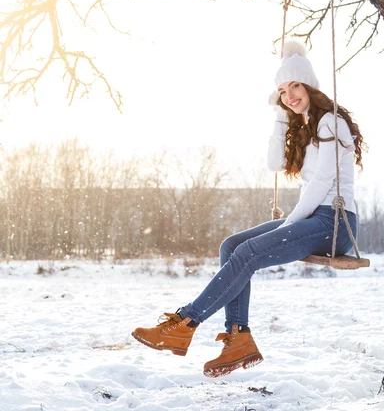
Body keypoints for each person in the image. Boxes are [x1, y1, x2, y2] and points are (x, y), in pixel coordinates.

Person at [132, 41, 365, 378]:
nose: (289, 95)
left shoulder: (330, 122)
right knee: (232, 246)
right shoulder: (303, 124)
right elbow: (274, 163)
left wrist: (290, 223)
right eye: (282, 91)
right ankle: (238, 339)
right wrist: (280, 118)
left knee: (250, 252)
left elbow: (321, 184)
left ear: (310, 85)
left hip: (334, 222)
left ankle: (185, 323)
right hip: (313, 216)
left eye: (295, 86)